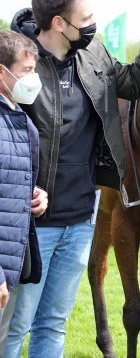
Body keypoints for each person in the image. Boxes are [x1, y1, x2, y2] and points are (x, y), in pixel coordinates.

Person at [4, 0, 140, 358]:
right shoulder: (20, 63)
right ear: (59, 24)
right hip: (32, 224)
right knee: (16, 326)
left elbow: (131, 82)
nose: (93, 22)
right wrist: (21, 193)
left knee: (53, 323)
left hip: (80, 218)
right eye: (86, 16)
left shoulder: (93, 55)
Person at [0, 30, 48, 350]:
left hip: (12, 264)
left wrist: (36, 195)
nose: (33, 79)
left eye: (35, 70)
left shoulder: (21, 119)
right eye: (26, 71)